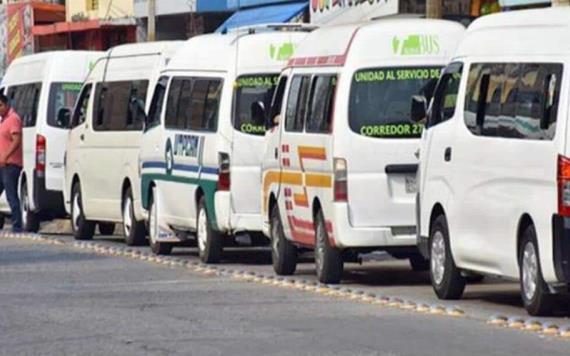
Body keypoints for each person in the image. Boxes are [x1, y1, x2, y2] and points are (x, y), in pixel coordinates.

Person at [0, 93, 23, 232]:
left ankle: (17, 225)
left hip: (11, 164)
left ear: (7, 105)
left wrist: (5, 156)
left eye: (1, 105)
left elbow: (16, 140)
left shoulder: (13, 119)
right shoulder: (3, 120)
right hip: (2, 165)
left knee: (11, 195)